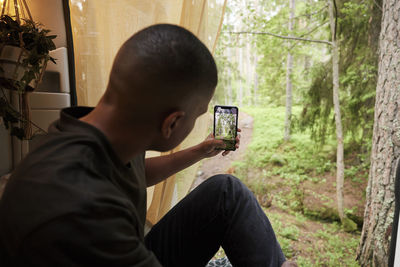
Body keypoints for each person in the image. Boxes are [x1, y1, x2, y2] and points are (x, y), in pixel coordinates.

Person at [0, 24, 296, 267]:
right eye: (197, 117)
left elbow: (134, 170)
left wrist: (201, 150)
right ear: (171, 123)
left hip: (122, 246)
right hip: (112, 250)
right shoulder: (82, 209)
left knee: (226, 192)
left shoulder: (88, 132)